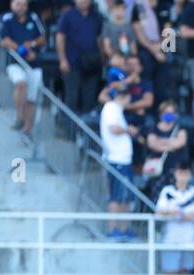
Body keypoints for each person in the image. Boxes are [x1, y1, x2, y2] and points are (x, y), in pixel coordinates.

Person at [0, 0, 48, 137]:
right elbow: (4, 41)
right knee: (21, 83)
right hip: (15, 62)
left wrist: (31, 44)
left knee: (32, 97)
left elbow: (43, 38)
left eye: (23, 4)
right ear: (11, 4)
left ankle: (27, 129)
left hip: (34, 63)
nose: (20, 7)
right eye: (17, 3)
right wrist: (23, 51)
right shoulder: (6, 18)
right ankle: (19, 116)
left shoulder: (34, 17)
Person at [56, 0, 106, 122]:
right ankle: (70, 133)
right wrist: (62, 60)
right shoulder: (67, 15)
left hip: (92, 63)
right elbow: (60, 37)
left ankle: (84, 136)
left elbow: (100, 38)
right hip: (72, 63)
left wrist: (103, 57)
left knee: (89, 100)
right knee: (71, 99)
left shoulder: (97, 16)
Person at [99, 84, 135, 233]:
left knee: (126, 197)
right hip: (116, 159)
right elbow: (113, 128)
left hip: (123, 160)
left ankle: (125, 228)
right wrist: (128, 130)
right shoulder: (111, 108)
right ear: (126, 97)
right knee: (116, 196)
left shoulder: (116, 109)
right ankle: (113, 229)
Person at [155, 162, 194, 274]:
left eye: (186, 173)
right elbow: (159, 210)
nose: (183, 177)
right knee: (170, 272)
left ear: (190, 175)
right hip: (170, 239)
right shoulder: (167, 191)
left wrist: (179, 214)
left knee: (185, 273)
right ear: (175, 174)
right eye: (180, 173)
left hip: (189, 240)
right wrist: (174, 213)